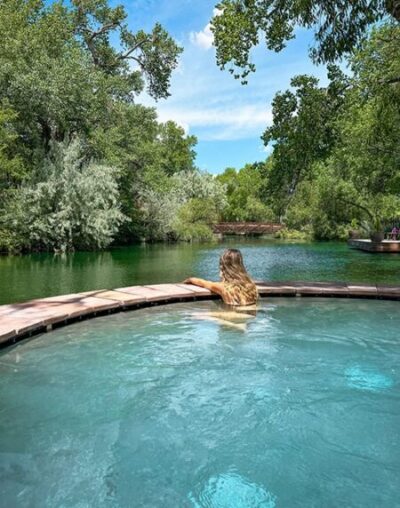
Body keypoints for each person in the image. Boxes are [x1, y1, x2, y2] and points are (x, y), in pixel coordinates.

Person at [184, 249, 258, 330]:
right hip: (250, 316)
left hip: (232, 316)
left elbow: (203, 283)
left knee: (194, 315)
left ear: (224, 268)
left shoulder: (224, 287)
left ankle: (236, 325)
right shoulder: (251, 286)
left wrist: (189, 280)